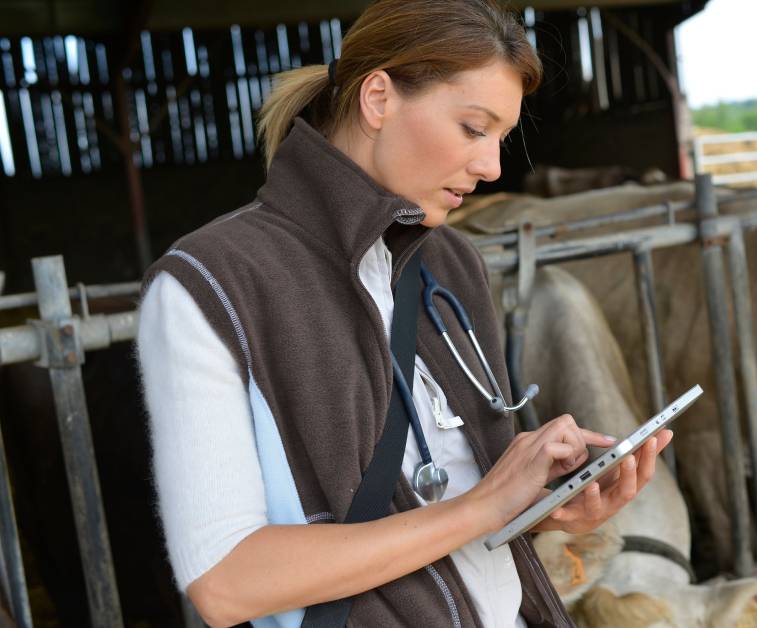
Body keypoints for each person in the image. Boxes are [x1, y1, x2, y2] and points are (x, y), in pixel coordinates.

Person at [136, 1, 672, 626]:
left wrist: (539, 506)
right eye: (474, 128)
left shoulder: (451, 263)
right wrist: (484, 507)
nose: (492, 167)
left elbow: (459, 489)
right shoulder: (205, 284)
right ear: (379, 99)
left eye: (501, 138)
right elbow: (224, 583)